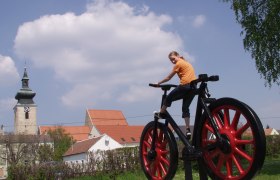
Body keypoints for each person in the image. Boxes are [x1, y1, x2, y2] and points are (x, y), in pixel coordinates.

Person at [156, 51, 196, 139]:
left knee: (168, 98)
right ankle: (188, 129)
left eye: (173, 59)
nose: (173, 61)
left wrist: (159, 83)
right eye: (171, 61)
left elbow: (168, 78)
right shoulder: (186, 62)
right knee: (185, 108)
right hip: (193, 88)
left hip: (185, 86)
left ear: (177, 56)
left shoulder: (178, 64)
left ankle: (161, 113)